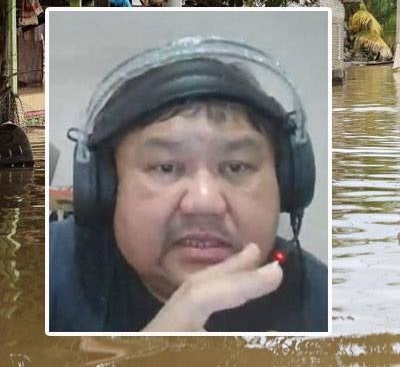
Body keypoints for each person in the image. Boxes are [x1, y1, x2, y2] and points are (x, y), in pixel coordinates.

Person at [49, 37, 328, 333]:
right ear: (106, 187)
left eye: (236, 167)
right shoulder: (47, 269)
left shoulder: (322, 303)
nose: (204, 203)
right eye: (166, 167)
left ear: (288, 184)